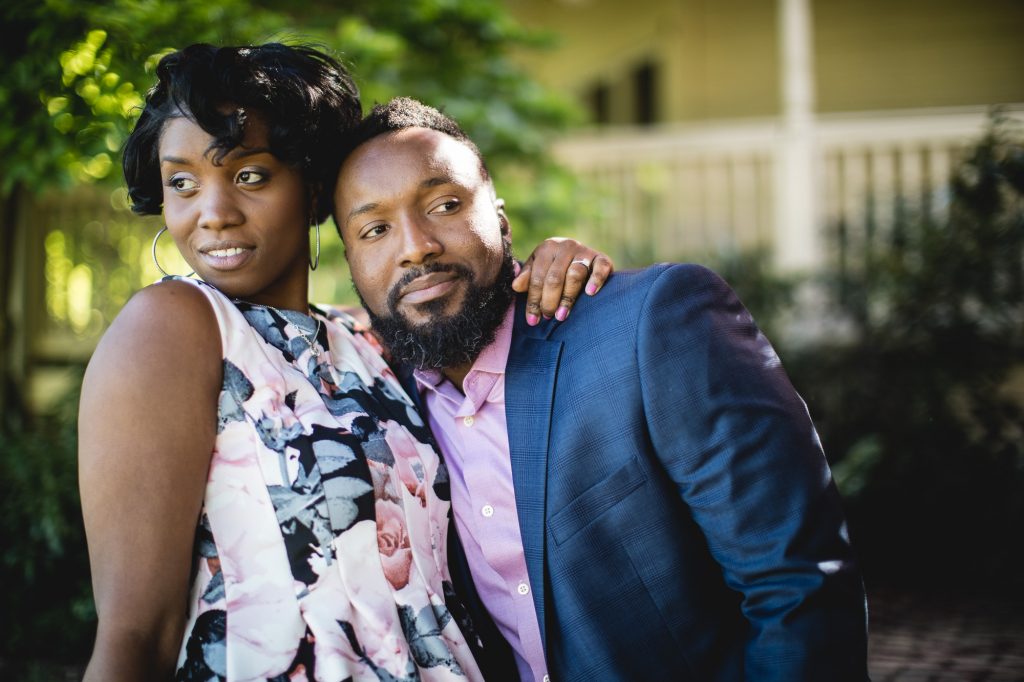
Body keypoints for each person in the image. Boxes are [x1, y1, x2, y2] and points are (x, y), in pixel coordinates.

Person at [77, 44, 613, 681]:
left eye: (249, 175)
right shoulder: (174, 326)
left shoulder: (367, 343)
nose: (213, 214)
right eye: (182, 184)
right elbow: (136, 637)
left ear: (312, 190)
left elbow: (486, 352)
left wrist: (555, 267)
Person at [333, 97, 870, 681]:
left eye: (445, 204)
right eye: (375, 229)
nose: (415, 245)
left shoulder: (654, 324)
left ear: (501, 217)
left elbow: (797, 585)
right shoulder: (381, 396)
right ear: (351, 260)